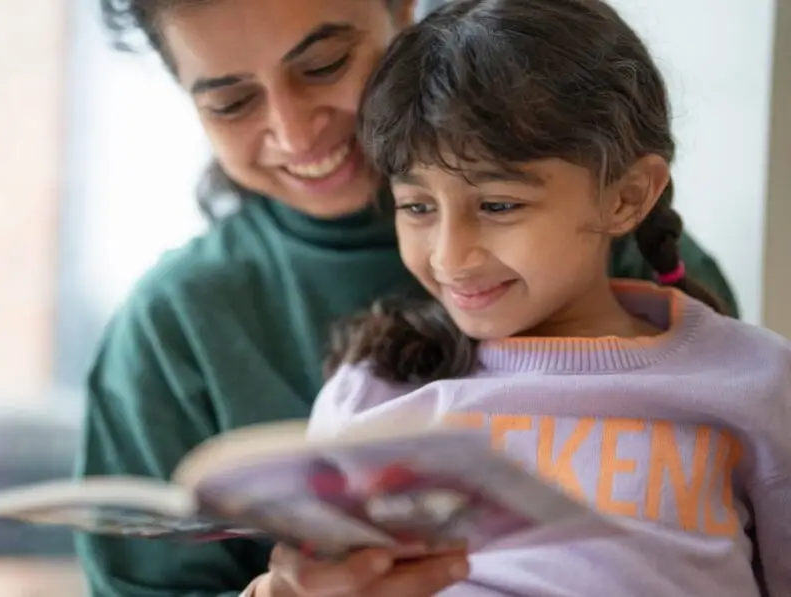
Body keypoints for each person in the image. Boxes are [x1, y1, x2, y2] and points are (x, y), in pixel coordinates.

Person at [76, 0, 742, 596]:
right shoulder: (174, 326)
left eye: (325, 64)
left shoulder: (636, 262)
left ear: (403, 12)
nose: (296, 130)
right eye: (231, 103)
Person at [250, 1, 791, 595]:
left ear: (626, 196)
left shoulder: (757, 383)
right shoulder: (371, 393)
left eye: (499, 205)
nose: (450, 257)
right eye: (417, 207)